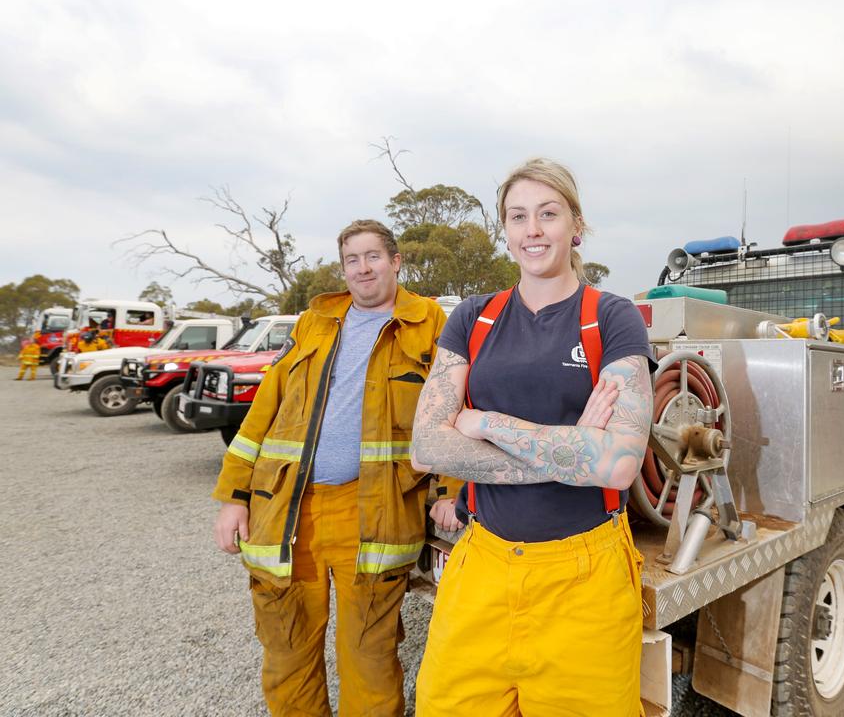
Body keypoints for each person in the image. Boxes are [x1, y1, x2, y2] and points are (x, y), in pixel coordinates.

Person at [411, 158, 655, 716]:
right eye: (518, 217)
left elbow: (617, 466)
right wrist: (572, 450)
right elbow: (426, 447)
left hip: (585, 575)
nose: (533, 230)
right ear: (506, 230)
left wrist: (487, 424)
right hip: (482, 563)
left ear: (576, 224)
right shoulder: (473, 318)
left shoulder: (612, 318)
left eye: (548, 214)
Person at [211, 219, 454, 716]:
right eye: (352, 259)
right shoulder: (312, 323)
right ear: (342, 267)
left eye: (373, 257)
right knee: (288, 647)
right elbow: (265, 411)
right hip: (285, 508)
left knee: (369, 652)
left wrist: (451, 489)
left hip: (374, 512)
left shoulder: (429, 322)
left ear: (396, 261)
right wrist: (234, 498)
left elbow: (452, 406)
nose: (363, 268)